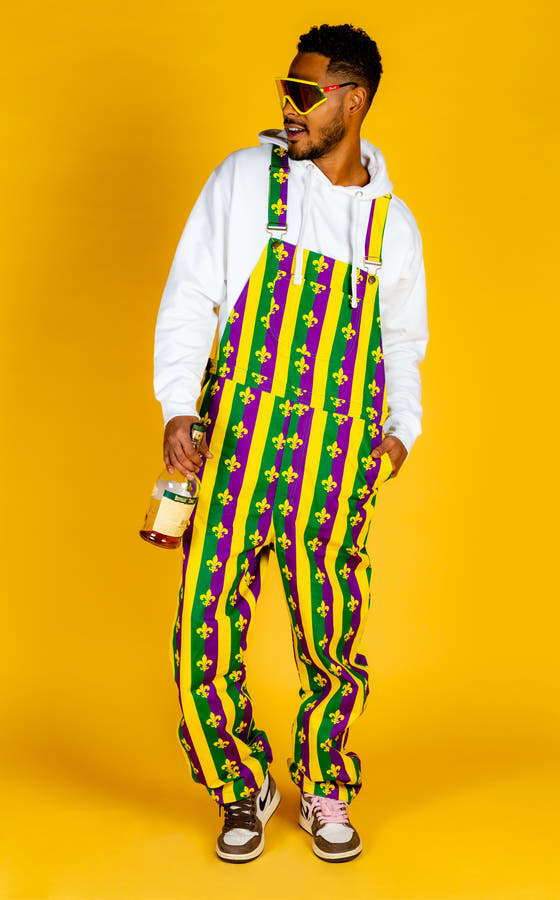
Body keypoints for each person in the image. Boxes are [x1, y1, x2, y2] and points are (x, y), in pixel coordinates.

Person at [152, 23, 428, 863]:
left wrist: (398, 435)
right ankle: (241, 787)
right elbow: (193, 291)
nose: (289, 105)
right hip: (233, 451)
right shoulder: (245, 179)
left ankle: (323, 785)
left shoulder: (393, 223)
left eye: (306, 93)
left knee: (332, 643)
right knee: (203, 630)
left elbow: (401, 341)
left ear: (355, 99)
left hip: (336, 469)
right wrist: (176, 406)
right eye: (287, 87)